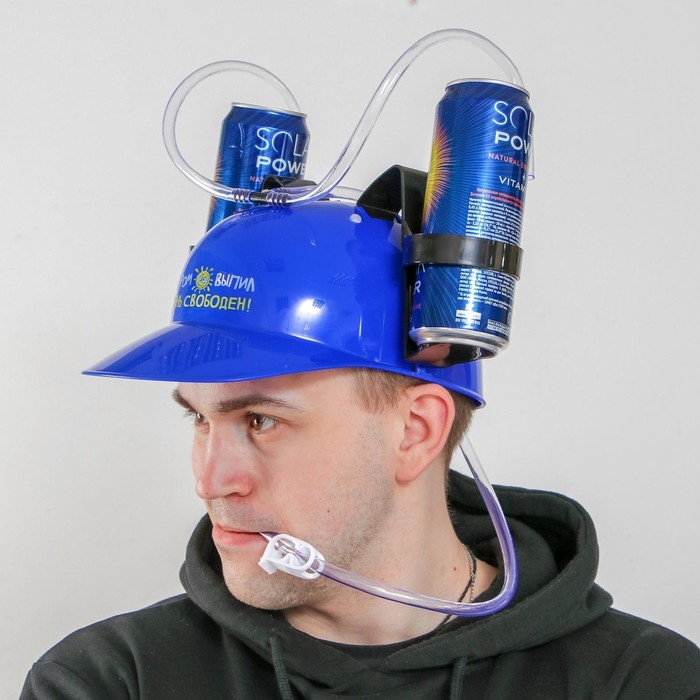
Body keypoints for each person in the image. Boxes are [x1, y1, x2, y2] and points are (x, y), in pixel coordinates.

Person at [21, 186, 700, 699]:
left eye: (259, 421)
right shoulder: (113, 681)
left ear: (416, 430)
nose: (211, 480)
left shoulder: (642, 682)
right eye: (199, 420)